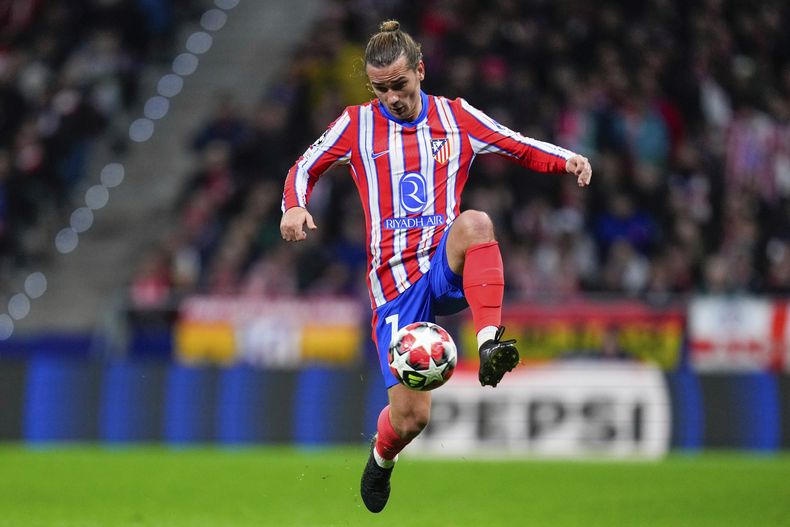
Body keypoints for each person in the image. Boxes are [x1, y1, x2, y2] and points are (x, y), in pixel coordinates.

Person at [280, 20, 592, 513]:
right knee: (410, 420)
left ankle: (490, 344)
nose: (392, 98)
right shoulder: (356, 124)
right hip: (395, 292)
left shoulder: (456, 117)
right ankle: (382, 459)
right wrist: (294, 206)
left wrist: (567, 159)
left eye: (400, 85)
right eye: (380, 89)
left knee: (475, 223)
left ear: (421, 71)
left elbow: (515, 143)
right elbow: (304, 166)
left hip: (444, 267)